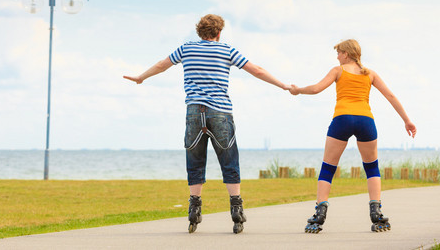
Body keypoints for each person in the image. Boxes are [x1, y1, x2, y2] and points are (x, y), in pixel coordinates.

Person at [124, 14, 290, 234]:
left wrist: (141, 77)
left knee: (195, 160)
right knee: (229, 160)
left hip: (194, 111)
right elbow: (256, 70)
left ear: (199, 32)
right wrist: (283, 85)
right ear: (219, 33)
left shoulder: (186, 49)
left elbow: (161, 65)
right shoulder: (227, 50)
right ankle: (236, 210)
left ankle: (194, 210)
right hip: (221, 112)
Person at [289, 39, 416, 233]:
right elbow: (390, 96)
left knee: (328, 168)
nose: (337, 57)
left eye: (339, 53)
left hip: (342, 119)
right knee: (372, 167)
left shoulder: (337, 71)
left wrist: (298, 91)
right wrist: (407, 120)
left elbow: (315, 89)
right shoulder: (370, 74)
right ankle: (376, 213)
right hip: (366, 121)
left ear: (346, 54)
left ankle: (319, 215)